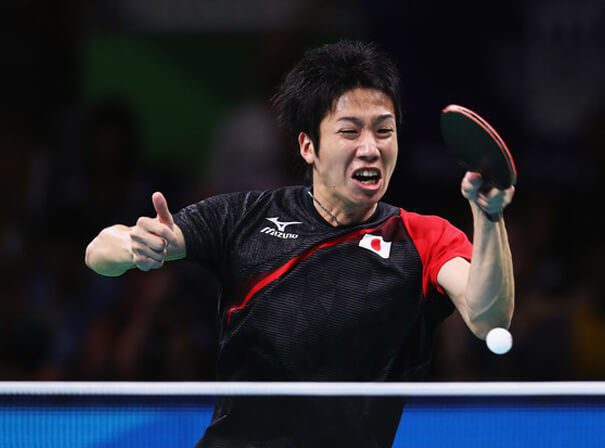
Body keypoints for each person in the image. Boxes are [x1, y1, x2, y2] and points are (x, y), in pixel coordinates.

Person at [85, 41, 515, 448]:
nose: (371, 148)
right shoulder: (245, 217)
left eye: (384, 131)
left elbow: (488, 317)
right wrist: (135, 245)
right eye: (350, 132)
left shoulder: (423, 238)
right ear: (309, 146)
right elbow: (99, 253)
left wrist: (489, 217)